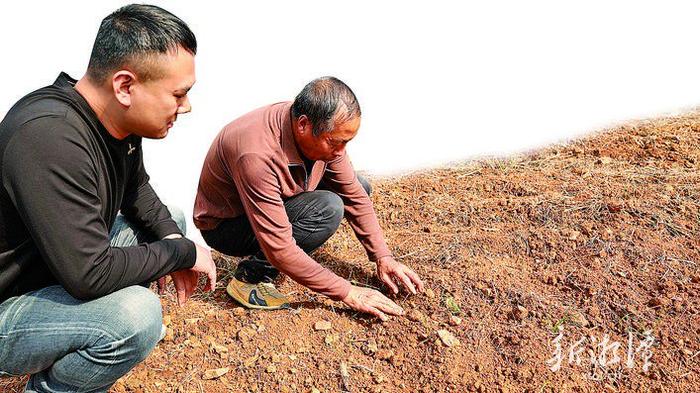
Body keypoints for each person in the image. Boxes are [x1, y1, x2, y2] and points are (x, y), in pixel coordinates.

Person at [0, 4, 217, 392]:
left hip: (57, 266)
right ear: (124, 86)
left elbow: (137, 190)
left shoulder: (114, 122)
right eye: (179, 94)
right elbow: (89, 275)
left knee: (173, 222)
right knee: (136, 315)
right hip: (9, 304)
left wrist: (173, 240)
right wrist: (183, 254)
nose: (186, 107)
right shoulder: (49, 137)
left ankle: (95, 340)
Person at [194, 76, 423, 320]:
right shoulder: (256, 155)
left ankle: (270, 260)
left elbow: (354, 194)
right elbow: (281, 247)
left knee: (358, 186)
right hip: (227, 225)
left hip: (270, 200)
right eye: (336, 142)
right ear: (303, 125)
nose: (341, 152)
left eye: (347, 142)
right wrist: (347, 291)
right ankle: (250, 278)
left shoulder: (312, 128)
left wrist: (383, 256)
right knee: (328, 208)